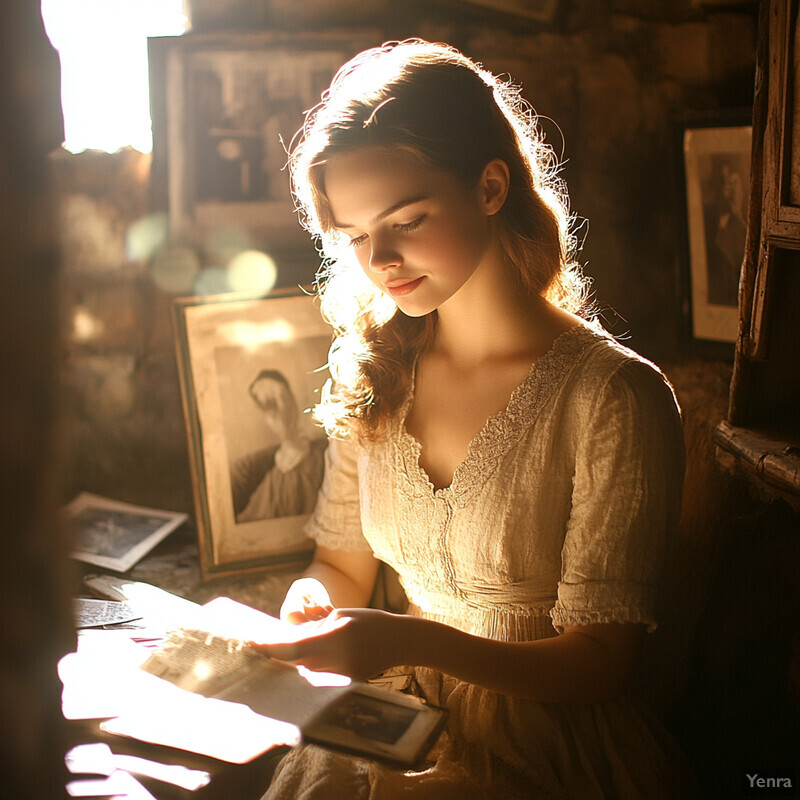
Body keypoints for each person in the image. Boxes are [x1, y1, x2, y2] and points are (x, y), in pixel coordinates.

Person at [254, 39, 699, 798]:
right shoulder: (376, 370)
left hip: (546, 748)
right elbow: (341, 566)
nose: (381, 260)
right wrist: (313, 602)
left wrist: (402, 637)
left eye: (408, 219)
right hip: (389, 721)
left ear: (491, 186)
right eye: (357, 236)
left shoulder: (614, 398)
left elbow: (601, 664)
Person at [231, 369, 326, 523]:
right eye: (270, 407)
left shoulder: (324, 452)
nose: (282, 414)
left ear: (294, 403)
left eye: (285, 400)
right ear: (264, 417)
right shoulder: (268, 475)